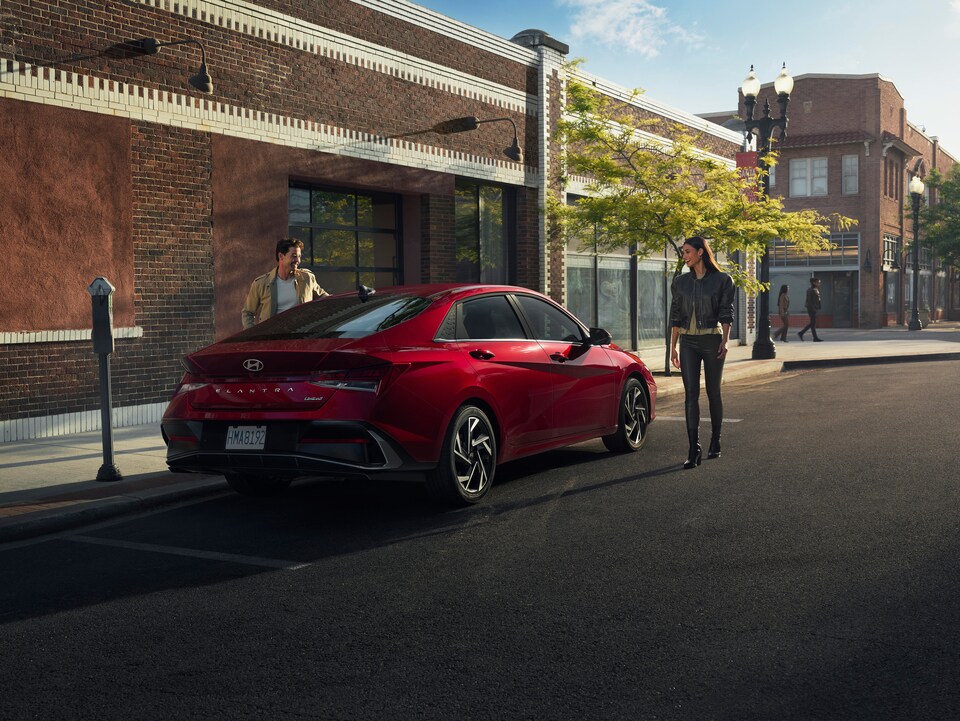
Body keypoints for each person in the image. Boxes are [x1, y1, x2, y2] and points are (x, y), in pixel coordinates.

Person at [669, 236, 735, 469]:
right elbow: (675, 316)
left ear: (700, 252)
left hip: (711, 340)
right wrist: (673, 348)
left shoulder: (722, 280)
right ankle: (693, 449)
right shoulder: (680, 282)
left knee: (713, 392)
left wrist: (725, 341)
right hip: (688, 342)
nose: (684, 256)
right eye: (683, 252)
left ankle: (715, 440)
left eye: (687, 252)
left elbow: (726, 314)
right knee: (690, 394)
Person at [242, 238, 328, 328]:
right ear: (281, 256)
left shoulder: (307, 278)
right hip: (274, 338)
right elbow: (248, 312)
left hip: (302, 336)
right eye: (294, 256)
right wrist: (253, 336)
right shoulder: (261, 283)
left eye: (299, 256)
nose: (298, 261)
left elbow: (325, 298)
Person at [797, 277, 822, 342]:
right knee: (813, 323)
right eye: (818, 282)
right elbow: (809, 301)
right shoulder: (810, 290)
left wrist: (818, 307)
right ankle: (812, 337)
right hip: (811, 309)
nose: (819, 283)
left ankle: (803, 333)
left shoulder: (815, 289)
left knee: (813, 323)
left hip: (815, 308)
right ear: (814, 283)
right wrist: (813, 308)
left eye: (819, 282)